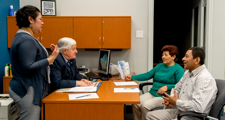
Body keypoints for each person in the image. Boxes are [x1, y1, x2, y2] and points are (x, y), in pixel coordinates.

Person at [8, 5, 59, 120]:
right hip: (27, 89)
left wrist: (47, 57)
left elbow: (32, 62)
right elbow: (28, 67)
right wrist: (51, 59)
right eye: (40, 19)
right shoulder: (26, 39)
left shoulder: (23, 36)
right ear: (30, 19)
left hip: (27, 86)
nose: (43, 23)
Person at [146, 47, 218, 120]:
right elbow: (177, 88)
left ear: (197, 60)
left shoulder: (204, 78)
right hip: (180, 111)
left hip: (192, 117)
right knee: (149, 115)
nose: (183, 58)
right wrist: (170, 99)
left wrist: (176, 102)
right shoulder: (187, 73)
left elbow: (198, 107)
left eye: (186, 56)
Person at [125, 45, 184, 120]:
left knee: (144, 106)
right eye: (162, 55)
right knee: (136, 103)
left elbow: (181, 85)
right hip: (152, 93)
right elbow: (147, 75)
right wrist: (132, 77)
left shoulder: (178, 69)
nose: (163, 57)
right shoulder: (159, 66)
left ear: (173, 57)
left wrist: (167, 87)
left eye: (166, 55)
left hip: (165, 97)